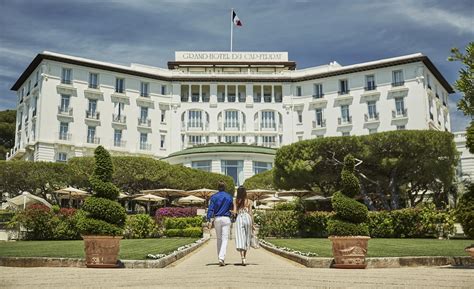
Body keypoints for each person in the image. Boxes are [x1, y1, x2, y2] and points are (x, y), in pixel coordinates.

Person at [206, 181, 233, 266]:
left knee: (219, 239)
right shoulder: (229, 196)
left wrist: (208, 219)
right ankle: (221, 258)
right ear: (225, 187)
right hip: (226, 218)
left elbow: (211, 209)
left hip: (217, 218)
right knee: (225, 239)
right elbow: (231, 208)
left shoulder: (213, 197)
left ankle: (220, 258)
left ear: (218, 187)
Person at [233, 186, 254, 266]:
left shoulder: (236, 201)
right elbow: (251, 213)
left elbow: (235, 212)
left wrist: (233, 212)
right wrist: (253, 224)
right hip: (247, 218)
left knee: (240, 237)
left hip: (240, 218)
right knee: (246, 238)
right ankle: (245, 257)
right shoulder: (249, 201)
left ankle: (242, 257)